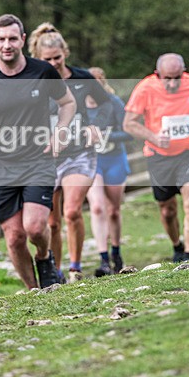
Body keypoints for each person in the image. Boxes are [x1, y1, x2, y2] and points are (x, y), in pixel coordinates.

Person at [0, 14, 76, 290]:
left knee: (36, 228)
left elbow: (68, 102)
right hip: (3, 164)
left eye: (13, 38)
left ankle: (45, 257)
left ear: (23, 40)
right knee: (14, 237)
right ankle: (33, 290)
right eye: (1, 39)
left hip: (38, 159)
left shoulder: (42, 71)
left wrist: (60, 130)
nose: (7, 45)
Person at [28, 23, 113, 283]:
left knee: (72, 211)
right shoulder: (34, 82)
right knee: (51, 222)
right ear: (37, 58)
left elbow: (108, 103)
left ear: (65, 53)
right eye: (47, 60)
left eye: (57, 58)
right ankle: (56, 270)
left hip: (80, 153)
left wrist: (96, 126)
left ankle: (76, 268)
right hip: (46, 157)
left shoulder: (83, 78)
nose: (53, 63)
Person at [123, 53, 189, 262]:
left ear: (183, 72)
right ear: (157, 75)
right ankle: (177, 246)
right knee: (168, 210)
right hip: (158, 155)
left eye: (177, 77)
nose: (172, 83)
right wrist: (154, 137)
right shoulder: (145, 88)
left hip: (188, 151)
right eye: (167, 78)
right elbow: (129, 123)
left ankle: (188, 256)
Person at [85, 67, 132, 276]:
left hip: (114, 159)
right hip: (92, 161)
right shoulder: (78, 106)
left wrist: (106, 135)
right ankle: (103, 260)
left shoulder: (113, 103)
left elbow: (128, 132)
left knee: (113, 209)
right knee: (96, 207)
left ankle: (116, 252)